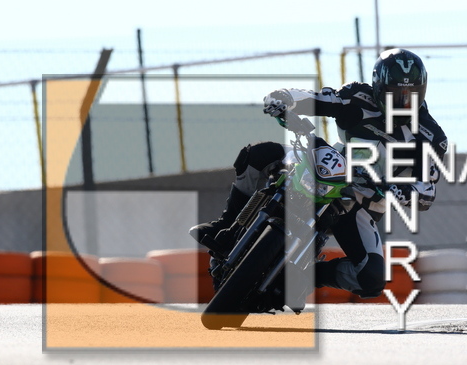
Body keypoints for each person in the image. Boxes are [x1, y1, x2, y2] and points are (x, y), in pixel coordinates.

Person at [190, 48, 448, 299]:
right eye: (395, 95)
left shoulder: (431, 136)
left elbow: (427, 191)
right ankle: (226, 226)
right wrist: (284, 98)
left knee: (371, 278)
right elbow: (317, 99)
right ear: (378, 87)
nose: (403, 102)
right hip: (329, 165)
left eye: (411, 95)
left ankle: (306, 276)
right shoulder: (357, 97)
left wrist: (401, 189)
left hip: (361, 202)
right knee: (258, 154)